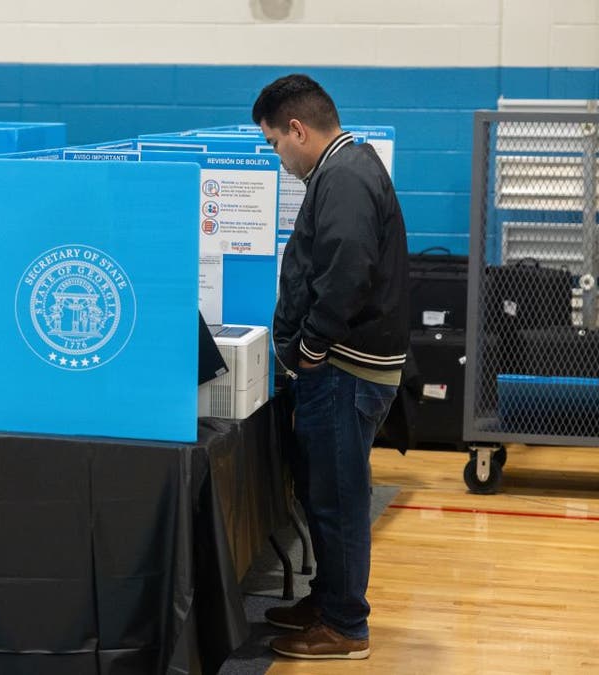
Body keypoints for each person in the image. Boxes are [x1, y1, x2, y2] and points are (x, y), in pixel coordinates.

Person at [251, 74, 409, 660]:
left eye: (274, 144)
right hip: (344, 370)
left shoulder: (342, 175)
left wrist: (311, 349)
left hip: (345, 372)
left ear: (297, 128)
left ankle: (346, 627)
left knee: (339, 500)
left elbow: (346, 273)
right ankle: (329, 600)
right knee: (326, 496)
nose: (277, 157)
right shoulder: (347, 167)